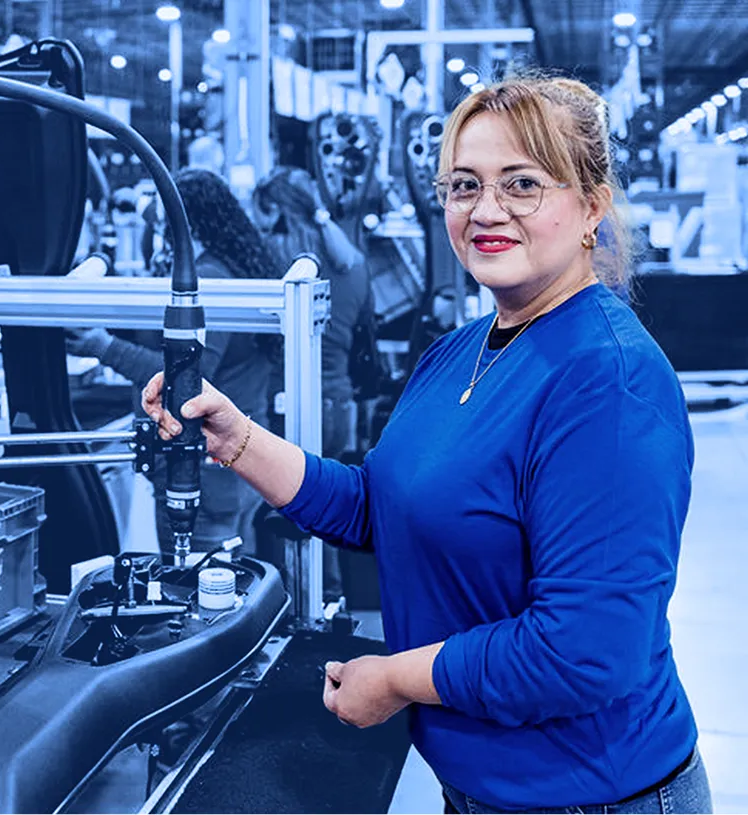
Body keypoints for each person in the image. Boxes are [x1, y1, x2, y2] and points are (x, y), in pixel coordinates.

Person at [142, 75, 711, 814]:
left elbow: (584, 650)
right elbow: (379, 506)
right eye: (464, 185)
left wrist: (397, 678)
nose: (486, 210)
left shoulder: (611, 382)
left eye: (523, 184)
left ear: (592, 206)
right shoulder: (459, 352)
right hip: (481, 787)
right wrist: (237, 436)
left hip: (592, 796)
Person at [67, 168, 280, 554]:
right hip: (233, 467)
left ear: (184, 219)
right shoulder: (229, 266)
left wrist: (103, 346)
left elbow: (190, 377)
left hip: (204, 474)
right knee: (233, 586)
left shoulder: (210, 279)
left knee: (190, 589)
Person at [252, 166, 375, 600]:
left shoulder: (276, 262)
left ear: (276, 211)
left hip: (292, 405)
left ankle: (290, 619)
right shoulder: (353, 261)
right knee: (330, 515)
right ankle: (331, 604)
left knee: (285, 521)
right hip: (339, 407)